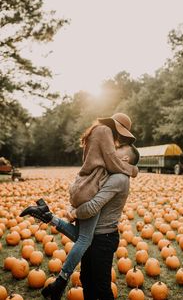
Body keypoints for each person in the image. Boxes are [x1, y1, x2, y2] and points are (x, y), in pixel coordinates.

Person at [20, 113, 139, 300]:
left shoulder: (119, 177)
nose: (117, 146)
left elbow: (92, 207)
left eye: (121, 148)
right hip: (97, 235)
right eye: (120, 141)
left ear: (124, 160)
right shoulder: (108, 148)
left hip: (104, 238)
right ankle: (60, 279)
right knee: (86, 276)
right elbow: (109, 159)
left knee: (101, 287)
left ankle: (49, 220)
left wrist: (73, 213)